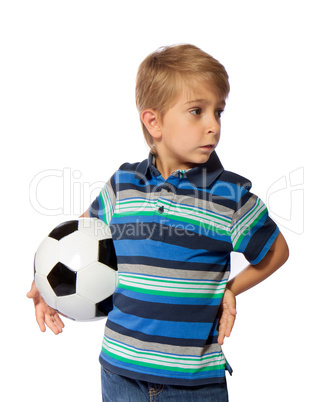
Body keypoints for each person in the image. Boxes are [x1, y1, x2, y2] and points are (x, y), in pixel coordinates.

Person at [27, 44, 289, 401]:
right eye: (197, 111)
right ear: (154, 122)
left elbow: (275, 251)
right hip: (120, 371)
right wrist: (46, 284)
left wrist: (231, 288)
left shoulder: (229, 195)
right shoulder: (123, 184)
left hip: (193, 381)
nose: (213, 125)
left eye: (219, 112)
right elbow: (81, 236)